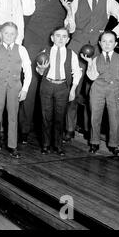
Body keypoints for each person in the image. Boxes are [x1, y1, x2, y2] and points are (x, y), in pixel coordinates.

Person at [64, 0, 119, 143]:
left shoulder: (108, 0)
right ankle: (69, 128)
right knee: (72, 90)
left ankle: (88, 129)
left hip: (97, 52)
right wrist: (70, 12)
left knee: (92, 93)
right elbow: (68, 28)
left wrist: (111, 35)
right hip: (76, 49)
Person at [19, 0, 77, 144]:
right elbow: (26, 12)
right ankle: (24, 130)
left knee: (52, 89)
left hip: (54, 44)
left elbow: (71, 28)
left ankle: (51, 135)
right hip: (33, 40)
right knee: (29, 85)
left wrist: (68, 11)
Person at [0, 22, 31, 158]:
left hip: (15, 85)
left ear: (16, 35)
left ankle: (12, 146)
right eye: (6, 33)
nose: (9, 36)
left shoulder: (21, 49)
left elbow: (28, 71)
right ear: (0, 34)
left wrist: (25, 89)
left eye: (12, 33)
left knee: (12, 116)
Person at [82, 31, 119, 155]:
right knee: (95, 117)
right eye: (104, 41)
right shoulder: (95, 59)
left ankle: (113, 145)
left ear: (115, 44)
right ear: (99, 43)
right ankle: (94, 143)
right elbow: (92, 77)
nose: (107, 44)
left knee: (115, 118)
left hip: (115, 90)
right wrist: (89, 63)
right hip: (97, 88)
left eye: (110, 41)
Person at [36, 27, 81, 155]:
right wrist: (41, 69)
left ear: (68, 39)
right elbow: (39, 72)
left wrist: (72, 90)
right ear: (52, 38)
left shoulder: (72, 54)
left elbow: (77, 73)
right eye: (57, 35)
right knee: (46, 117)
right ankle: (45, 145)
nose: (60, 39)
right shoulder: (45, 51)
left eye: (64, 36)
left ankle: (58, 145)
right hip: (47, 85)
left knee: (59, 118)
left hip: (63, 87)